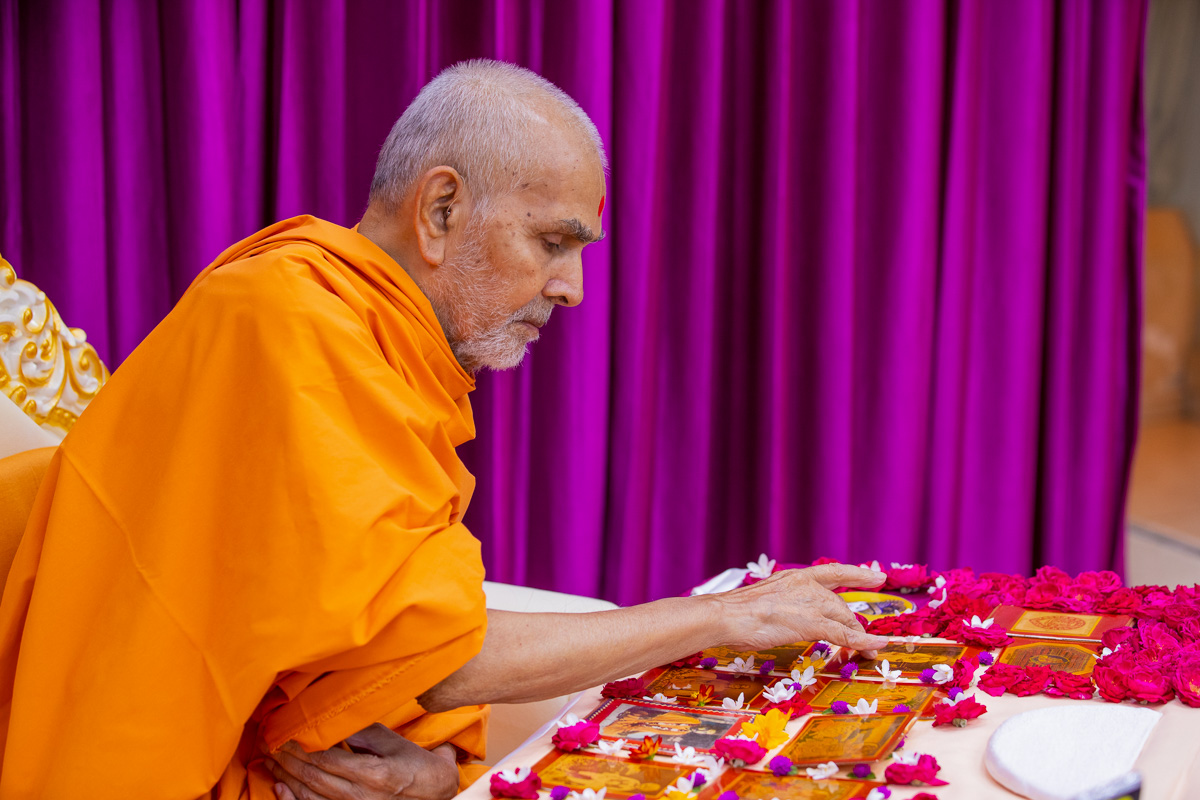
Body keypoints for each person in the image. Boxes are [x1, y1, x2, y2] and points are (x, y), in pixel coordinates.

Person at [0, 60, 889, 800]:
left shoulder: (380, 344)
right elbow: (438, 657)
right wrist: (722, 616)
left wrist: (429, 774)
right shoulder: (281, 323)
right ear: (440, 211)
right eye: (553, 243)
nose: (573, 290)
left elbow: (359, 639)